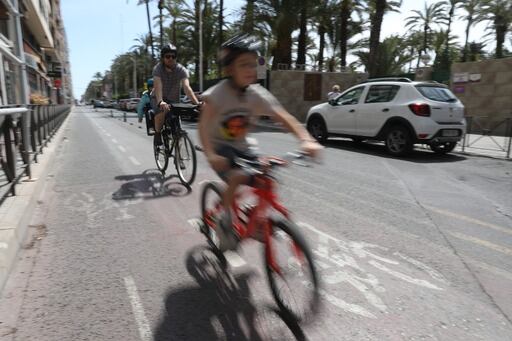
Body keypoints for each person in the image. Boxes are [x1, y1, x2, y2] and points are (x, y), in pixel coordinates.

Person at [198, 34, 322, 251]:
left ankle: (255, 220)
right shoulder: (218, 94)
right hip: (221, 149)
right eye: (243, 64)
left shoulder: (257, 94)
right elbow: (203, 125)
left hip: (244, 148)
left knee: (267, 178)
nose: (250, 69)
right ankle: (224, 221)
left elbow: (284, 117)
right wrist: (210, 154)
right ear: (229, 69)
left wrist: (306, 140)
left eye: (253, 64)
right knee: (237, 176)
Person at [153, 44, 200, 146]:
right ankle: (157, 133)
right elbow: (158, 86)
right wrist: (160, 101)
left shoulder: (181, 70)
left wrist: (197, 103)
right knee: (161, 111)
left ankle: (177, 155)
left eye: (173, 56)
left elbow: (187, 87)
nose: (170, 58)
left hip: (173, 99)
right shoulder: (158, 69)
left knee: (177, 124)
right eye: (167, 56)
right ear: (163, 58)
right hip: (158, 97)